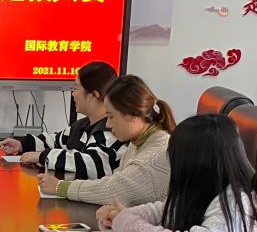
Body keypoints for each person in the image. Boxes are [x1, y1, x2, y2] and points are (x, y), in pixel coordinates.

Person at [101, 113, 257, 232]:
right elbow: (170, 209)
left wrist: (127, 223)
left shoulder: (236, 202)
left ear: (193, 164)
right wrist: (125, 215)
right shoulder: (210, 187)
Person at [37, 75, 173, 206]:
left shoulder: (155, 156)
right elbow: (119, 183)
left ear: (132, 115)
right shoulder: (138, 142)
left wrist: (60, 187)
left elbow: (113, 189)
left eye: (111, 116)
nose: (108, 124)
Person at [0, 61, 126, 178]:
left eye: (76, 88)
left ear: (93, 95)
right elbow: (55, 140)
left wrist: (42, 157)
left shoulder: (112, 132)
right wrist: (21, 145)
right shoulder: (82, 126)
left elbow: (90, 164)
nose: (73, 93)